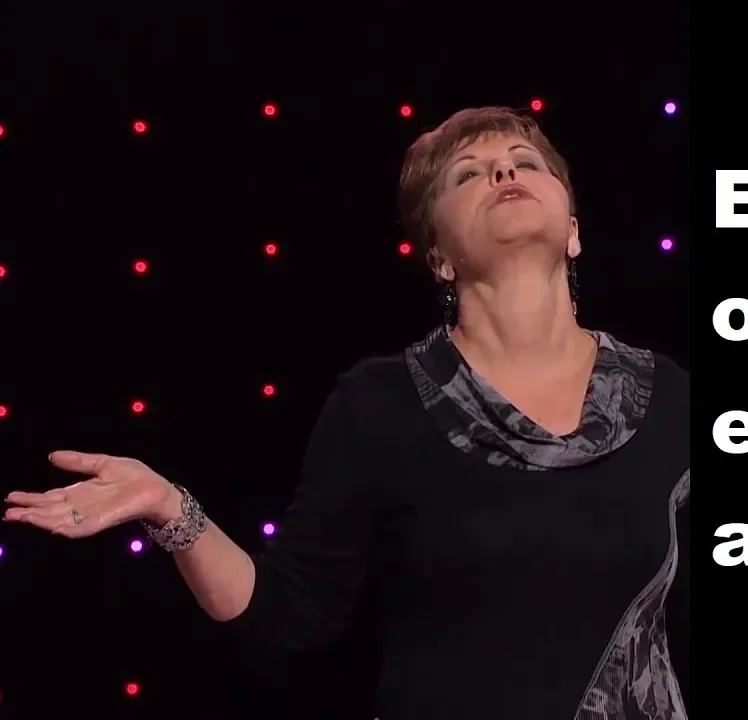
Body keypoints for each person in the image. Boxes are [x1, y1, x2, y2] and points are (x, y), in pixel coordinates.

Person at [4, 106, 690, 719]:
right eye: (468, 174)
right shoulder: (381, 404)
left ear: (573, 232)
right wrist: (170, 509)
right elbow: (285, 616)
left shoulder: (667, 396)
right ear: (438, 257)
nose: (504, 172)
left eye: (525, 162)